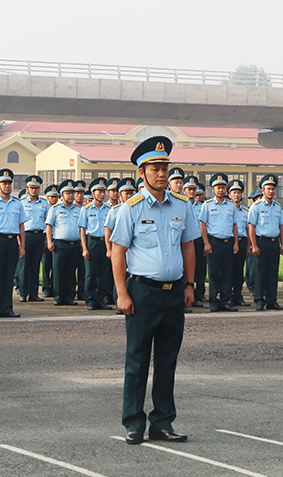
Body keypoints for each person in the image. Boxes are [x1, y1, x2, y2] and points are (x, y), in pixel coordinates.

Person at [110, 136, 198, 445]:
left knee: (167, 360)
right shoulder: (130, 209)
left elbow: (188, 246)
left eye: (165, 168)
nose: (162, 174)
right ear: (142, 172)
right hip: (142, 291)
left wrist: (189, 284)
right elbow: (118, 251)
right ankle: (134, 422)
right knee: (137, 360)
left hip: (174, 292)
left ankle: (162, 421)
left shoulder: (182, 206)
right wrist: (122, 293)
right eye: (155, 168)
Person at [0, 168, 26, 318]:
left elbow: (21, 226)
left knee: (9, 276)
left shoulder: (17, 203)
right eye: (4, 183)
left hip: (12, 241)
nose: (7, 186)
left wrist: (22, 246)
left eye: (9, 183)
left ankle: (7, 307)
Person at [199, 172, 239, 312]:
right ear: (213, 190)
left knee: (227, 273)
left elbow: (234, 224)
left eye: (223, 187)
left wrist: (235, 243)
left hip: (228, 243)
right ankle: (213, 302)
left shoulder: (231, 206)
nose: (221, 189)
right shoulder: (207, 205)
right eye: (218, 187)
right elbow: (202, 224)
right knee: (214, 273)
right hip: (213, 242)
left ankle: (225, 301)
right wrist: (206, 243)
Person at [247, 174, 283, 311]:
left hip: (274, 243)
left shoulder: (277, 207)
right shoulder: (256, 207)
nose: (271, 191)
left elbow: (281, 225)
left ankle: (272, 300)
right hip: (261, 242)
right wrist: (254, 245)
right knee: (260, 272)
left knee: (273, 272)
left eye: (273, 189)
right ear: (262, 190)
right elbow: (251, 226)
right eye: (268, 189)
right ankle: (259, 299)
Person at [46, 179, 82, 306]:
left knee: (71, 272)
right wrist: (49, 242)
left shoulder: (78, 209)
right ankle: (59, 296)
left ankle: (69, 296)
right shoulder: (55, 209)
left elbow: (82, 228)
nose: (71, 195)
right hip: (60, 244)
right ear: (62, 195)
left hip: (75, 244)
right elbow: (49, 226)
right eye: (68, 193)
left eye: (72, 193)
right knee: (59, 271)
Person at [80, 177, 112, 310]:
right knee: (90, 274)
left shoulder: (109, 209)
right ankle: (90, 300)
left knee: (105, 273)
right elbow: (82, 229)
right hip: (92, 242)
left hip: (105, 243)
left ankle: (100, 299)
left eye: (103, 191)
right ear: (93, 193)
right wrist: (84, 248)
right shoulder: (86, 209)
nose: (102, 194)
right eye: (99, 191)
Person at [105, 177, 136, 315]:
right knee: (119, 274)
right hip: (119, 249)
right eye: (126, 193)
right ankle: (119, 301)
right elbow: (108, 230)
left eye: (131, 192)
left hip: (133, 250)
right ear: (120, 194)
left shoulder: (137, 209)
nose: (129, 195)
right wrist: (109, 249)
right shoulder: (115, 210)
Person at [20, 175, 47, 302]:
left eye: (36, 188)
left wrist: (47, 238)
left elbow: (48, 222)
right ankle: (23, 292)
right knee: (25, 265)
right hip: (27, 235)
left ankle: (34, 293)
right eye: (32, 188)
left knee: (36, 265)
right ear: (27, 189)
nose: (34, 190)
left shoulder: (44, 204)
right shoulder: (22, 203)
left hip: (39, 235)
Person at [183, 175, 205, 306]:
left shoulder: (202, 207)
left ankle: (198, 295)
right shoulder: (181, 205)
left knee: (199, 269)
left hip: (198, 240)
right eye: (189, 189)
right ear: (184, 190)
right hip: (185, 241)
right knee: (185, 269)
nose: (192, 191)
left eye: (193, 189)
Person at [229, 179, 250, 307]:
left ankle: (238, 296)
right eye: (234, 192)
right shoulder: (227, 209)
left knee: (239, 271)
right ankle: (228, 296)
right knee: (228, 271)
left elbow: (248, 230)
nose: (236, 195)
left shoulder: (246, 211)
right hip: (229, 242)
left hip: (242, 242)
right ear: (229, 194)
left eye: (239, 192)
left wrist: (248, 246)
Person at [41, 184, 60, 297]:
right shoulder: (44, 207)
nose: (54, 199)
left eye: (55, 196)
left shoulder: (59, 208)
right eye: (51, 197)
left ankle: (54, 286)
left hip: (56, 237)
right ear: (47, 197)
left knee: (55, 265)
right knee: (46, 264)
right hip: (46, 237)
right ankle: (46, 287)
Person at [73, 179, 87, 299]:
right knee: (71, 270)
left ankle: (82, 291)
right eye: (77, 193)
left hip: (83, 242)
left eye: (81, 193)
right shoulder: (70, 208)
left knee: (83, 269)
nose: (79, 195)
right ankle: (71, 292)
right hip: (72, 242)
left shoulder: (86, 208)